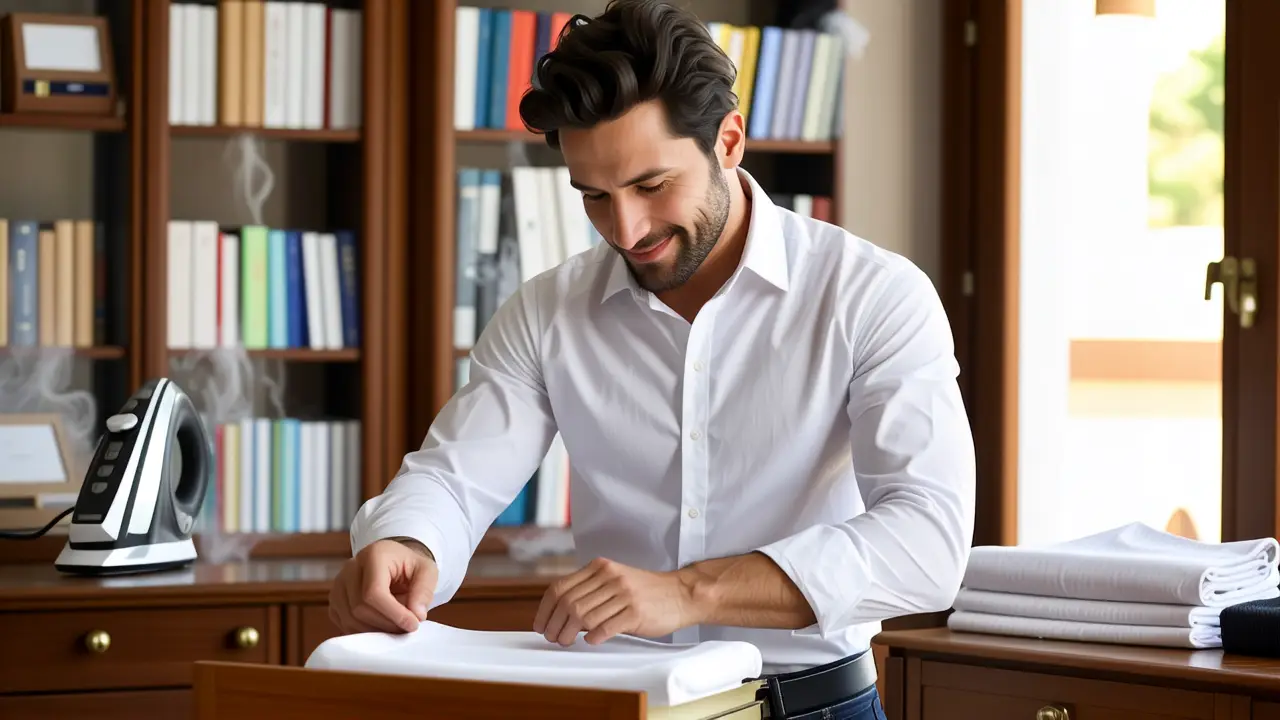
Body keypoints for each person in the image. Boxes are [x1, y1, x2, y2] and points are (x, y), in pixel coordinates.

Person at [328, 0, 975, 716]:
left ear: (728, 142)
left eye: (651, 186)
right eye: (594, 197)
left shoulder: (872, 296)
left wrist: (688, 591)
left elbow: (928, 543)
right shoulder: (548, 312)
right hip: (623, 703)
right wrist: (407, 539)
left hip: (812, 705)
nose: (626, 229)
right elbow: (454, 479)